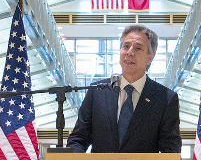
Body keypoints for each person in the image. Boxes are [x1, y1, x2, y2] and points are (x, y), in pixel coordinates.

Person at [67, 25, 181, 153]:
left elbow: (171, 149)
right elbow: (78, 138)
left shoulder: (165, 98)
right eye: (126, 46)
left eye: (138, 48)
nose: (130, 52)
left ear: (150, 57)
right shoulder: (97, 91)